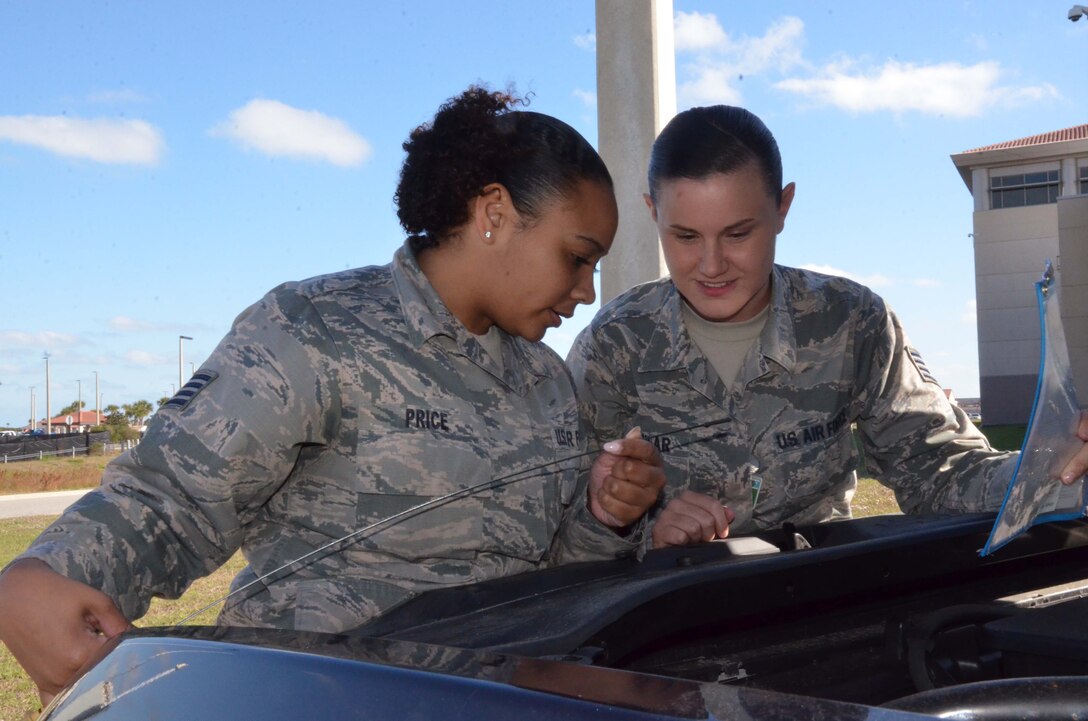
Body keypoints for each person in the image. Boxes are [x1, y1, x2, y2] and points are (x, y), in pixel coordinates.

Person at [0, 86, 665, 704]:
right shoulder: (315, 327)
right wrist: (39, 577)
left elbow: (551, 578)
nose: (586, 290)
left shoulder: (549, 382)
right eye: (577, 257)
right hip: (311, 699)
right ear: (494, 214)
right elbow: (169, 499)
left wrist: (605, 516)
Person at [567, 104, 1088, 550]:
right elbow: (563, 526)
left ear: (783, 208)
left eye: (738, 233)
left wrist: (1051, 469)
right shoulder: (615, 346)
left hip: (825, 603)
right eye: (683, 236)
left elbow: (938, 471)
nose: (710, 264)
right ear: (652, 213)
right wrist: (637, 530)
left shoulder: (851, 322)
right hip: (658, 623)